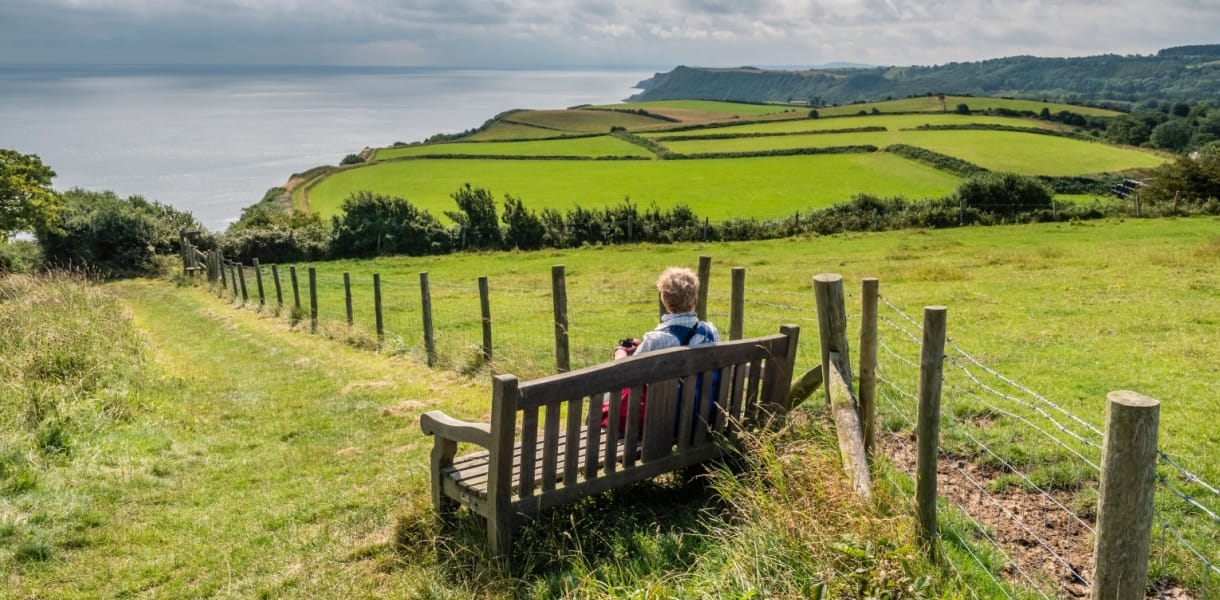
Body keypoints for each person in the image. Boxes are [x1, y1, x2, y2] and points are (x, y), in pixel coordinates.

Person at [606, 267, 721, 432]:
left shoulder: (657, 340)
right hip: (703, 419)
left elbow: (625, 373)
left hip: (665, 425)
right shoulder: (711, 331)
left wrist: (621, 352)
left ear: (664, 300)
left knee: (607, 396)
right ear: (695, 299)